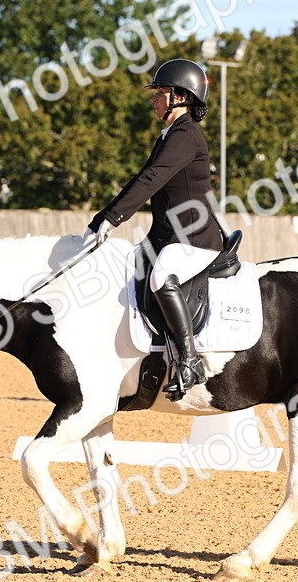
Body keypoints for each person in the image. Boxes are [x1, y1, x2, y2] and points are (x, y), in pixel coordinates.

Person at [83, 58, 225, 400]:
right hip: (168, 235)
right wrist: (102, 216)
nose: (155, 98)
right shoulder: (171, 135)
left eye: (160, 92)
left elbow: (150, 180)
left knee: (162, 277)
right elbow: (140, 179)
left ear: (180, 96)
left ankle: (190, 362)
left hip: (194, 238)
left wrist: (113, 218)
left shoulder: (186, 136)